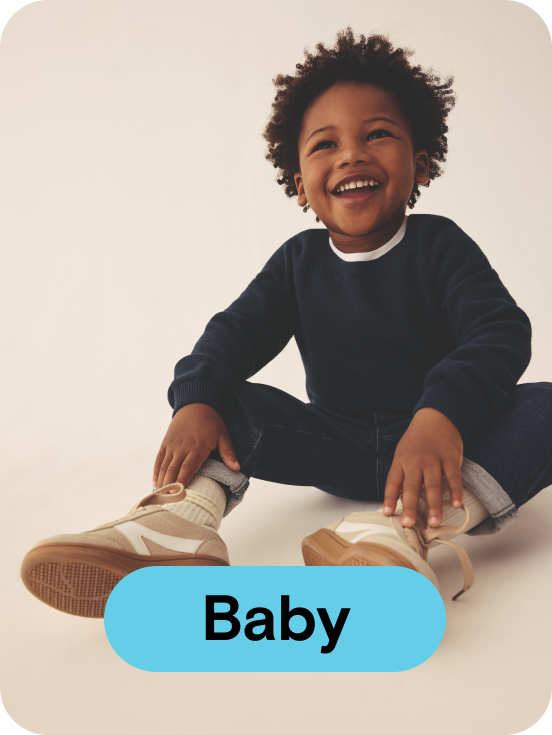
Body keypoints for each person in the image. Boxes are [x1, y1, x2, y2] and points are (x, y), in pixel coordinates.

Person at [21, 28, 552, 618]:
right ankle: (182, 524)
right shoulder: (297, 263)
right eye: (326, 144)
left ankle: (406, 531)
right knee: (232, 400)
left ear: (420, 163)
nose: (352, 153)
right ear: (300, 187)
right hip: (335, 444)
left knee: (546, 407)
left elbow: (499, 331)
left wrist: (442, 415)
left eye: (378, 134)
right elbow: (231, 334)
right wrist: (196, 399)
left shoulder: (440, 246)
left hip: (436, 453)